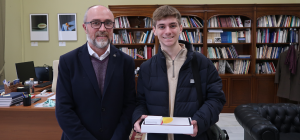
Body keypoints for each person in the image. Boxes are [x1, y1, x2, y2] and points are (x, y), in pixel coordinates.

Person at [132, 5, 226, 140]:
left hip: (193, 136)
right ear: (154, 30)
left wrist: (199, 121)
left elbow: (216, 98)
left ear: (180, 28)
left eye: (172, 25)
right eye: (162, 26)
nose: (168, 31)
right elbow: (140, 101)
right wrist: (138, 117)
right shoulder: (146, 67)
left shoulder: (202, 63)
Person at [55, 5, 136, 140]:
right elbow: (63, 110)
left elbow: (129, 106)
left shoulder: (126, 62)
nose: (103, 29)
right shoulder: (68, 61)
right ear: (85, 27)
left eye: (108, 23)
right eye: (96, 23)